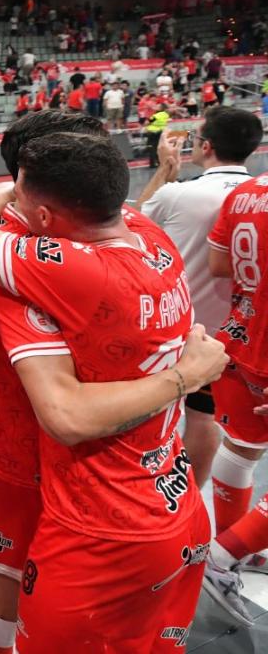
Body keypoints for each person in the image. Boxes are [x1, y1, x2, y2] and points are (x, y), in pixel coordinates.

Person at [0, 110, 219, 654]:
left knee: (11, 573)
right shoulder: (132, 239)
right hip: (14, 446)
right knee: (6, 574)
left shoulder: (28, 254)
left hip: (78, 463)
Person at [135, 107, 263, 493]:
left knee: (146, 413)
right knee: (206, 420)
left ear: (206, 146)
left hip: (174, 328)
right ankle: (190, 495)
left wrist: (164, 170)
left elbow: (135, 222)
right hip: (234, 335)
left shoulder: (178, 194)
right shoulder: (255, 196)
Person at [203, 162, 268, 625]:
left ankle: (232, 545)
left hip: (241, 336)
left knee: (241, 448)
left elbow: (219, 264)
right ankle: (224, 553)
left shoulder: (245, 192)